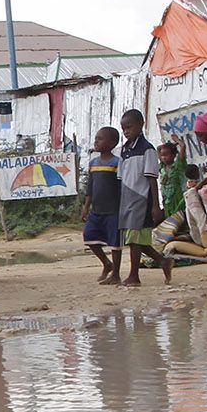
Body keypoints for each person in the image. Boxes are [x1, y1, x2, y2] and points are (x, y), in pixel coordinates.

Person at [117, 109, 169, 287]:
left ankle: (134, 275)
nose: (126, 131)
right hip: (126, 199)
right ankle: (163, 261)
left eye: (129, 127)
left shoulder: (147, 150)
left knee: (135, 238)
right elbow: (121, 177)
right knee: (135, 239)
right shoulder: (124, 150)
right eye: (123, 129)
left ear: (141, 125)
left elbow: (152, 178)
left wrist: (155, 205)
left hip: (141, 199)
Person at [83, 127, 123, 285]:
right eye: (96, 138)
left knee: (115, 243)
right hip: (97, 209)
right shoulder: (93, 163)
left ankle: (116, 274)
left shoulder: (117, 163)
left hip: (113, 210)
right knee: (89, 236)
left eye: (100, 139)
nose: (96, 141)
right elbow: (90, 187)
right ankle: (107, 263)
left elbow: (121, 187)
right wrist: (86, 206)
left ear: (112, 143)